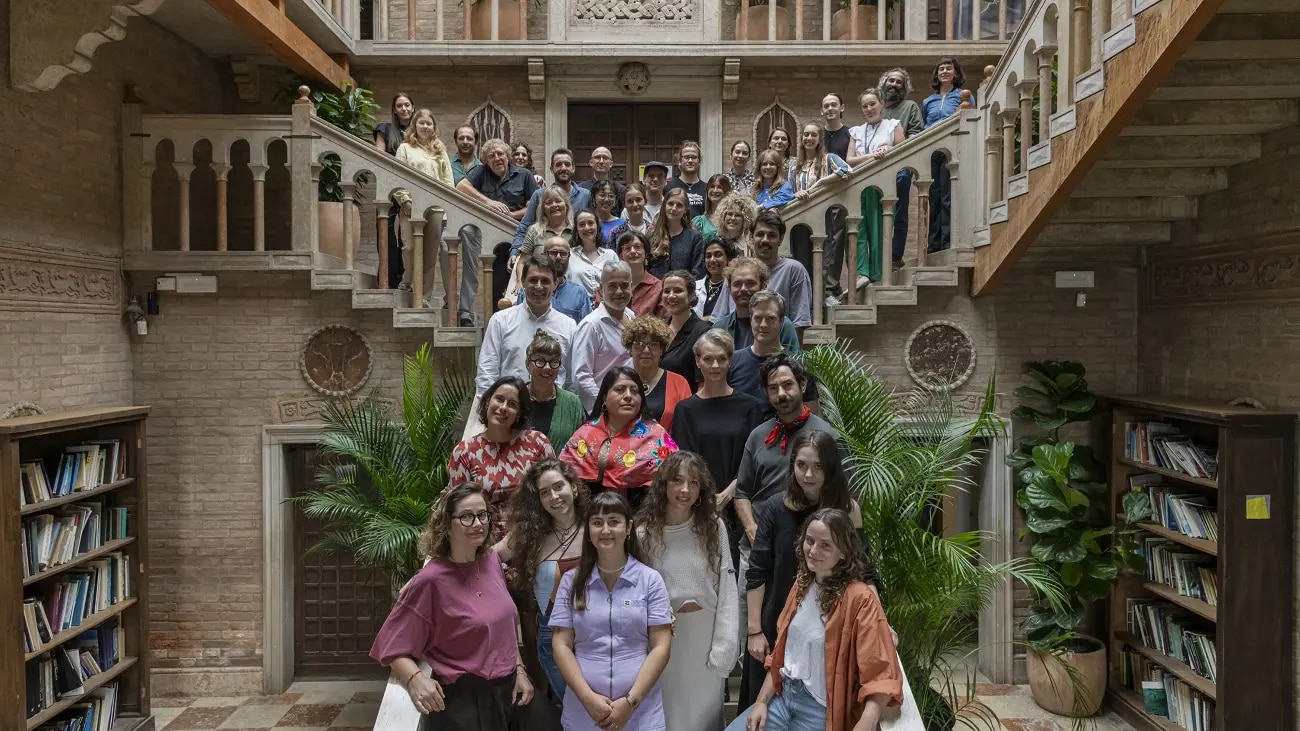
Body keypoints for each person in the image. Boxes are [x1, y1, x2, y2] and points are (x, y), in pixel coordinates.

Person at [369, 483, 558, 731]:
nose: (478, 523)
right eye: (467, 517)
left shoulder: (491, 563)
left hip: (509, 688)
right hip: (466, 697)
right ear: (447, 524)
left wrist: (520, 671)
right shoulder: (430, 580)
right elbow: (390, 644)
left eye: (482, 515)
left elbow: (505, 629)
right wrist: (415, 679)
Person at [729, 508, 903, 731]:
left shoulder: (860, 599)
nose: (813, 550)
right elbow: (781, 656)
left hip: (820, 710)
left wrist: (867, 721)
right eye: (810, 541)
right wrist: (761, 703)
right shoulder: (803, 583)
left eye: (825, 545)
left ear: (844, 551)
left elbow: (879, 672)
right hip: (782, 698)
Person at [740, 431, 865, 710]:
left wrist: (879, 623)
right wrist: (754, 631)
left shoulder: (848, 509)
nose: (808, 474)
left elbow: (863, 571)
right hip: (776, 620)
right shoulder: (774, 507)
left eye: (818, 467)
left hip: (829, 625)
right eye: (801, 465)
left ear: (831, 467)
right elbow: (757, 572)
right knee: (762, 711)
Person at [550, 491, 673, 731]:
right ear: (588, 532)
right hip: (584, 711)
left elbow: (661, 646)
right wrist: (588, 699)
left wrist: (630, 702)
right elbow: (561, 644)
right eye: (597, 523)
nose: (605, 530)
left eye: (613, 521)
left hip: (641, 712)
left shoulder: (651, 580)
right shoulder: (570, 582)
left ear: (628, 528)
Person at [636, 452, 740, 731]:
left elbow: (728, 587)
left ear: (701, 489)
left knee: (704, 719)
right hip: (666, 640)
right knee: (671, 718)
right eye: (677, 481)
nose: (685, 489)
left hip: (705, 638)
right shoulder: (644, 534)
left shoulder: (712, 527)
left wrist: (725, 646)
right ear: (664, 485)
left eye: (693, 482)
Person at [670, 329, 765, 570]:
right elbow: (685, 461)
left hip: (741, 504)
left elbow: (753, 459)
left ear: (730, 360)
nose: (715, 365)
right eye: (709, 359)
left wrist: (727, 495)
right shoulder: (686, 409)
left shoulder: (750, 406)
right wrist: (707, 499)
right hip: (698, 504)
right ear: (698, 361)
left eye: (722, 359)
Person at [495, 459, 588, 705]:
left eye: (559, 487)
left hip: (599, 635)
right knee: (577, 709)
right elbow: (487, 557)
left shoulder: (597, 526)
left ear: (574, 487)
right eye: (544, 492)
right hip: (553, 637)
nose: (554, 496)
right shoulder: (528, 535)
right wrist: (433, 568)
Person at [450, 376, 555, 541]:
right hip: (484, 546)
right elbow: (459, 510)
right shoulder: (464, 452)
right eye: (499, 399)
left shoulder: (538, 443)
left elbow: (555, 494)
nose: (503, 408)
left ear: (519, 413)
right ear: (487, 401)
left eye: (512, 404)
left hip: (535, 540)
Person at [559, 367, 678, 509]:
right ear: (604, 397)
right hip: (591, 516)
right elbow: (564, 476)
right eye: (620, 389)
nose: (628, 396)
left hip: (643, 516)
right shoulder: (585, 433)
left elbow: (675, 477)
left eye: (635, 391)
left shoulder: (656, 435)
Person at [477, 253, 576, 398]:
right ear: (522, 281)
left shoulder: (568, 326)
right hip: (510, 411)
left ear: (555, 284)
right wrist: (487, 410)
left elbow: (571, 379)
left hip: (553, 411)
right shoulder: (501, 321)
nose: (539, 286)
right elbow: (487, 371)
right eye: (533, 280)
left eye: (545, 281)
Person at [712, 210, 812, 331]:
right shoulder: (736, 270)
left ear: (781, 239)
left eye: (771, 235)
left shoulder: (794, 270)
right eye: (760, 234)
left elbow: (799, 324)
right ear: (751, 237)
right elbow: (719, 320)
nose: (765, 240)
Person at [727, 291, 819, 419]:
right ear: (751, 320)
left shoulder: (799, 364)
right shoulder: (732, 362)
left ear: (781, 322)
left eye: (770, 318)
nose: (763, 325)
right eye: (758, 318)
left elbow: (812, 415)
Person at [847, 88, 905, 288]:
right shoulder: (856, 131)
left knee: (879, 229)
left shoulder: (893, 125)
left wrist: (889, 149)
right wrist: (871, 156)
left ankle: (878, 274)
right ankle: (861, 273)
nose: (869, 108)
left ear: (882, 103)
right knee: (858, 229)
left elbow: (903, 152)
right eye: (865, 106)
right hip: (858, 184)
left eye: (872, 104)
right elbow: (849, 159)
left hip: (882, 185)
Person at [393, 110, 455, 299]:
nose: (425, 127)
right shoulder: (404, 148)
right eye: (422, 123)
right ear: (415, 125)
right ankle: (407, 279)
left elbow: (448, 181)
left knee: (429, 255)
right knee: (409, 248)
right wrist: (405, 199)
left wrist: (446, 207)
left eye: (429, 124)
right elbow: (396, 175)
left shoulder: (440, 150)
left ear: (433, 127)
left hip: (435, 209)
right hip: (410, 206)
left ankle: (424, 297)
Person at [571, 260, 636, 412]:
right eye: (612, 286)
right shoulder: (591, 326)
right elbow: (581, 376)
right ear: (601, 290)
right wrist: (606, 404)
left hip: (631, 405)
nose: (619, 291)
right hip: (604, 412)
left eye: (624, 285)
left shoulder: (633, 318)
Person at [922, 57, 970, 254]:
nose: (944, 71)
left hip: (953, 150)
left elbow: (969, 120)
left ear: (955, 73)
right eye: (941, 69)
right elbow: (926, 125)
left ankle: (948, 240)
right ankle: (933, 244)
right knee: (934, 196)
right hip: (933, 152)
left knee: (948, 197)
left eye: (948, 68)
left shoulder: (963, 96)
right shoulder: (928, 101)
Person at [879, 68, 925, 270]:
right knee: (876, 215)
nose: (894, 84)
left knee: (899, 214)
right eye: (891, 80)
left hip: (901, 169)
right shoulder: (878, 107)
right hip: (877, 169)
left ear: (904, 87)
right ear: (884, 83)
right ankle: (878, 258)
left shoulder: (910, 107)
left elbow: (916, 134)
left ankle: (896, 257)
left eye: (899, 82)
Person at [710, 257, 801, 353]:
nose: (743, 289)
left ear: (763, 286)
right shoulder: (720, 328)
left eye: (750, 283)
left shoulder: (781, 324)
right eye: (737, 284)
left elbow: (794, 363)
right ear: (729, 288)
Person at [512, 149, 593, 254]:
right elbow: (524, 227)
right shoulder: (539, 195)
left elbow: (593, 227)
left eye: (567, 164)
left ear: (573, 168)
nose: (563, 168)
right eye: (558, 164)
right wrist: (515, 253)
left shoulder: (586, 196)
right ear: (552, 169)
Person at [622, 315, 690, 432]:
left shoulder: (679, 383)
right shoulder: (619, 381)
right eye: (639, 344)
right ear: (630, 349)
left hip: (669, 449)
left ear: (662, 350)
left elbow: (687, 426)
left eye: (653, 345)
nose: (646, 350)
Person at [373, 93, 414, 288]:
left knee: (409, 237)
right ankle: (387, 277)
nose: (404, 108)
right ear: (394, 110)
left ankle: (406, 278)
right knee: (386, 231)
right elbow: (379, 157)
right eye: (400, 105)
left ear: (413, 108)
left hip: (412, 188)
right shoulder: (385, 129)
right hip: (389, 186)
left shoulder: (418, 132)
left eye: (407, 105)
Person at [524, 330, 587, 450]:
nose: (547, 368)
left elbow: (581, 447)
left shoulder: (573, 403)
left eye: (554, 362)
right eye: (540, 361)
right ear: (528, 364)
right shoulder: (514, 399)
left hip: (562, 468)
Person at [459, 138, 539, 221]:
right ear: (487, 162)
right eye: (491, 156)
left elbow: (535, 206)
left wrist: (512, 215)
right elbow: (461, 186)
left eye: (500, 154)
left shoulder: (525, 175)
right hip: (487, 224)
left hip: (516, 227)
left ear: (507, 156)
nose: (497, 158)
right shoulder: (481, 171)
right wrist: (488, 202)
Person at [516, 236, 591, 325]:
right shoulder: (528, 291)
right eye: (554, 253)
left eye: (563, 253)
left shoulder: (579, 293)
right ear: (544, 255)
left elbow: (586, 330)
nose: (558, 257)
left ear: (569, 257)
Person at [658, 271, 712, 391]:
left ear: (692, 295)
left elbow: (703, 384)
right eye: (666, 291)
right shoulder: (659, 328)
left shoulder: (703, 332)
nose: (671, 296)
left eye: (678, 290)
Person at [512, 186, 573, 291]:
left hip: (570, 286)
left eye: (558, 201)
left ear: (566, 205)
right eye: (549, 203)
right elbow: (522, 261)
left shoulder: (576, 231)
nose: (554, 205)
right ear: (543, 209)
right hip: (540, 286)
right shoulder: (534, 230)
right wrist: (520, 283)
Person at [600, 231, 663, 320]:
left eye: (637, 247)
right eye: (627, 248)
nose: (633, 251)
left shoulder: (658, 288)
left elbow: (663, 325)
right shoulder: (607, 285)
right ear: (620, 255)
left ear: (646, 253)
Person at [647, 188, 704, 280]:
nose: (674, 208)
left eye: (679, 205)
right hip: (655, 291)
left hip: (684, 291)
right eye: (670, 204)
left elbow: (697, 272)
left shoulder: (694, 237)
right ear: (664, 205)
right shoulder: (652, 235)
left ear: (685, 210)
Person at [568, 210, 619, 301]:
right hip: (577, 308)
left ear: (597, 226)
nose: (587, 228)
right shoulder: (569, 255)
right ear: (576, 229)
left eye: (591, 223)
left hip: (605, 307)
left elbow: (617, 283)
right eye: (582, 224)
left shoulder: (610, 255)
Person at [793, 121, 851, 201]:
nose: (809, 138)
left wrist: (822, 181)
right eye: (806, 135)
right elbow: (790, 191)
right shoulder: (794, 165)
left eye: (814, 135)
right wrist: (796, 194)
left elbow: (847, 169)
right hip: (800, 210)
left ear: (820, 139)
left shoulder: (829, 158)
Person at [696, 237, 741, 321]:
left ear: (728, 259)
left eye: (718, 255)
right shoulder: (695, 286)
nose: (712, 260)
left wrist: (706, 320)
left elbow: (734, 317)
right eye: (708, 256)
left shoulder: (734, 286)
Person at [664, 140, 709, 217]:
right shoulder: (669, 187)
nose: (690, 161)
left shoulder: (707, 189)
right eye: (686, 157)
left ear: (699, 161)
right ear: (680, 161)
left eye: (694, 157)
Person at [577, 146, 625, 217]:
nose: (601, 161)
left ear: (611, 164)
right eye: (597, 157)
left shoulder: (620, 189)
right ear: (591, 162)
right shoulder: (580, 188)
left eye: (605, 158)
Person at [692, 174, 732, 245]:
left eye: (719, 187)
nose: (715, 190)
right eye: (712, 187)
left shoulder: (732, 218)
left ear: (727, 192)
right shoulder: (699, 222)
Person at [821, 92, 852, 160]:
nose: (830, 108)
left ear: (842, 108)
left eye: (834, 105)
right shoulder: (817, 135)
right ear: (822, 111)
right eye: (826, 106)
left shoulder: (851, 134)